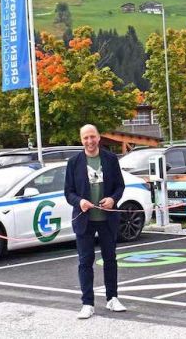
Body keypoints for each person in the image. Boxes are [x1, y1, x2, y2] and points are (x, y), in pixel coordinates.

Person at [65, 124, 127, 319]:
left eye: (92, 137)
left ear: (99, 137)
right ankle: (87, 303)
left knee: (110, 259)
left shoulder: (110, 159)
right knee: (85, 261)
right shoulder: (74, 162)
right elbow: (68, 192)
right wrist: (80, 201)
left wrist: (112, 199)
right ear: (81, 139)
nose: (90, 141)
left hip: (107, 219)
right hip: (85, 219)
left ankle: (112, 298)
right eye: (86, 138)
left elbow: (120, 185)